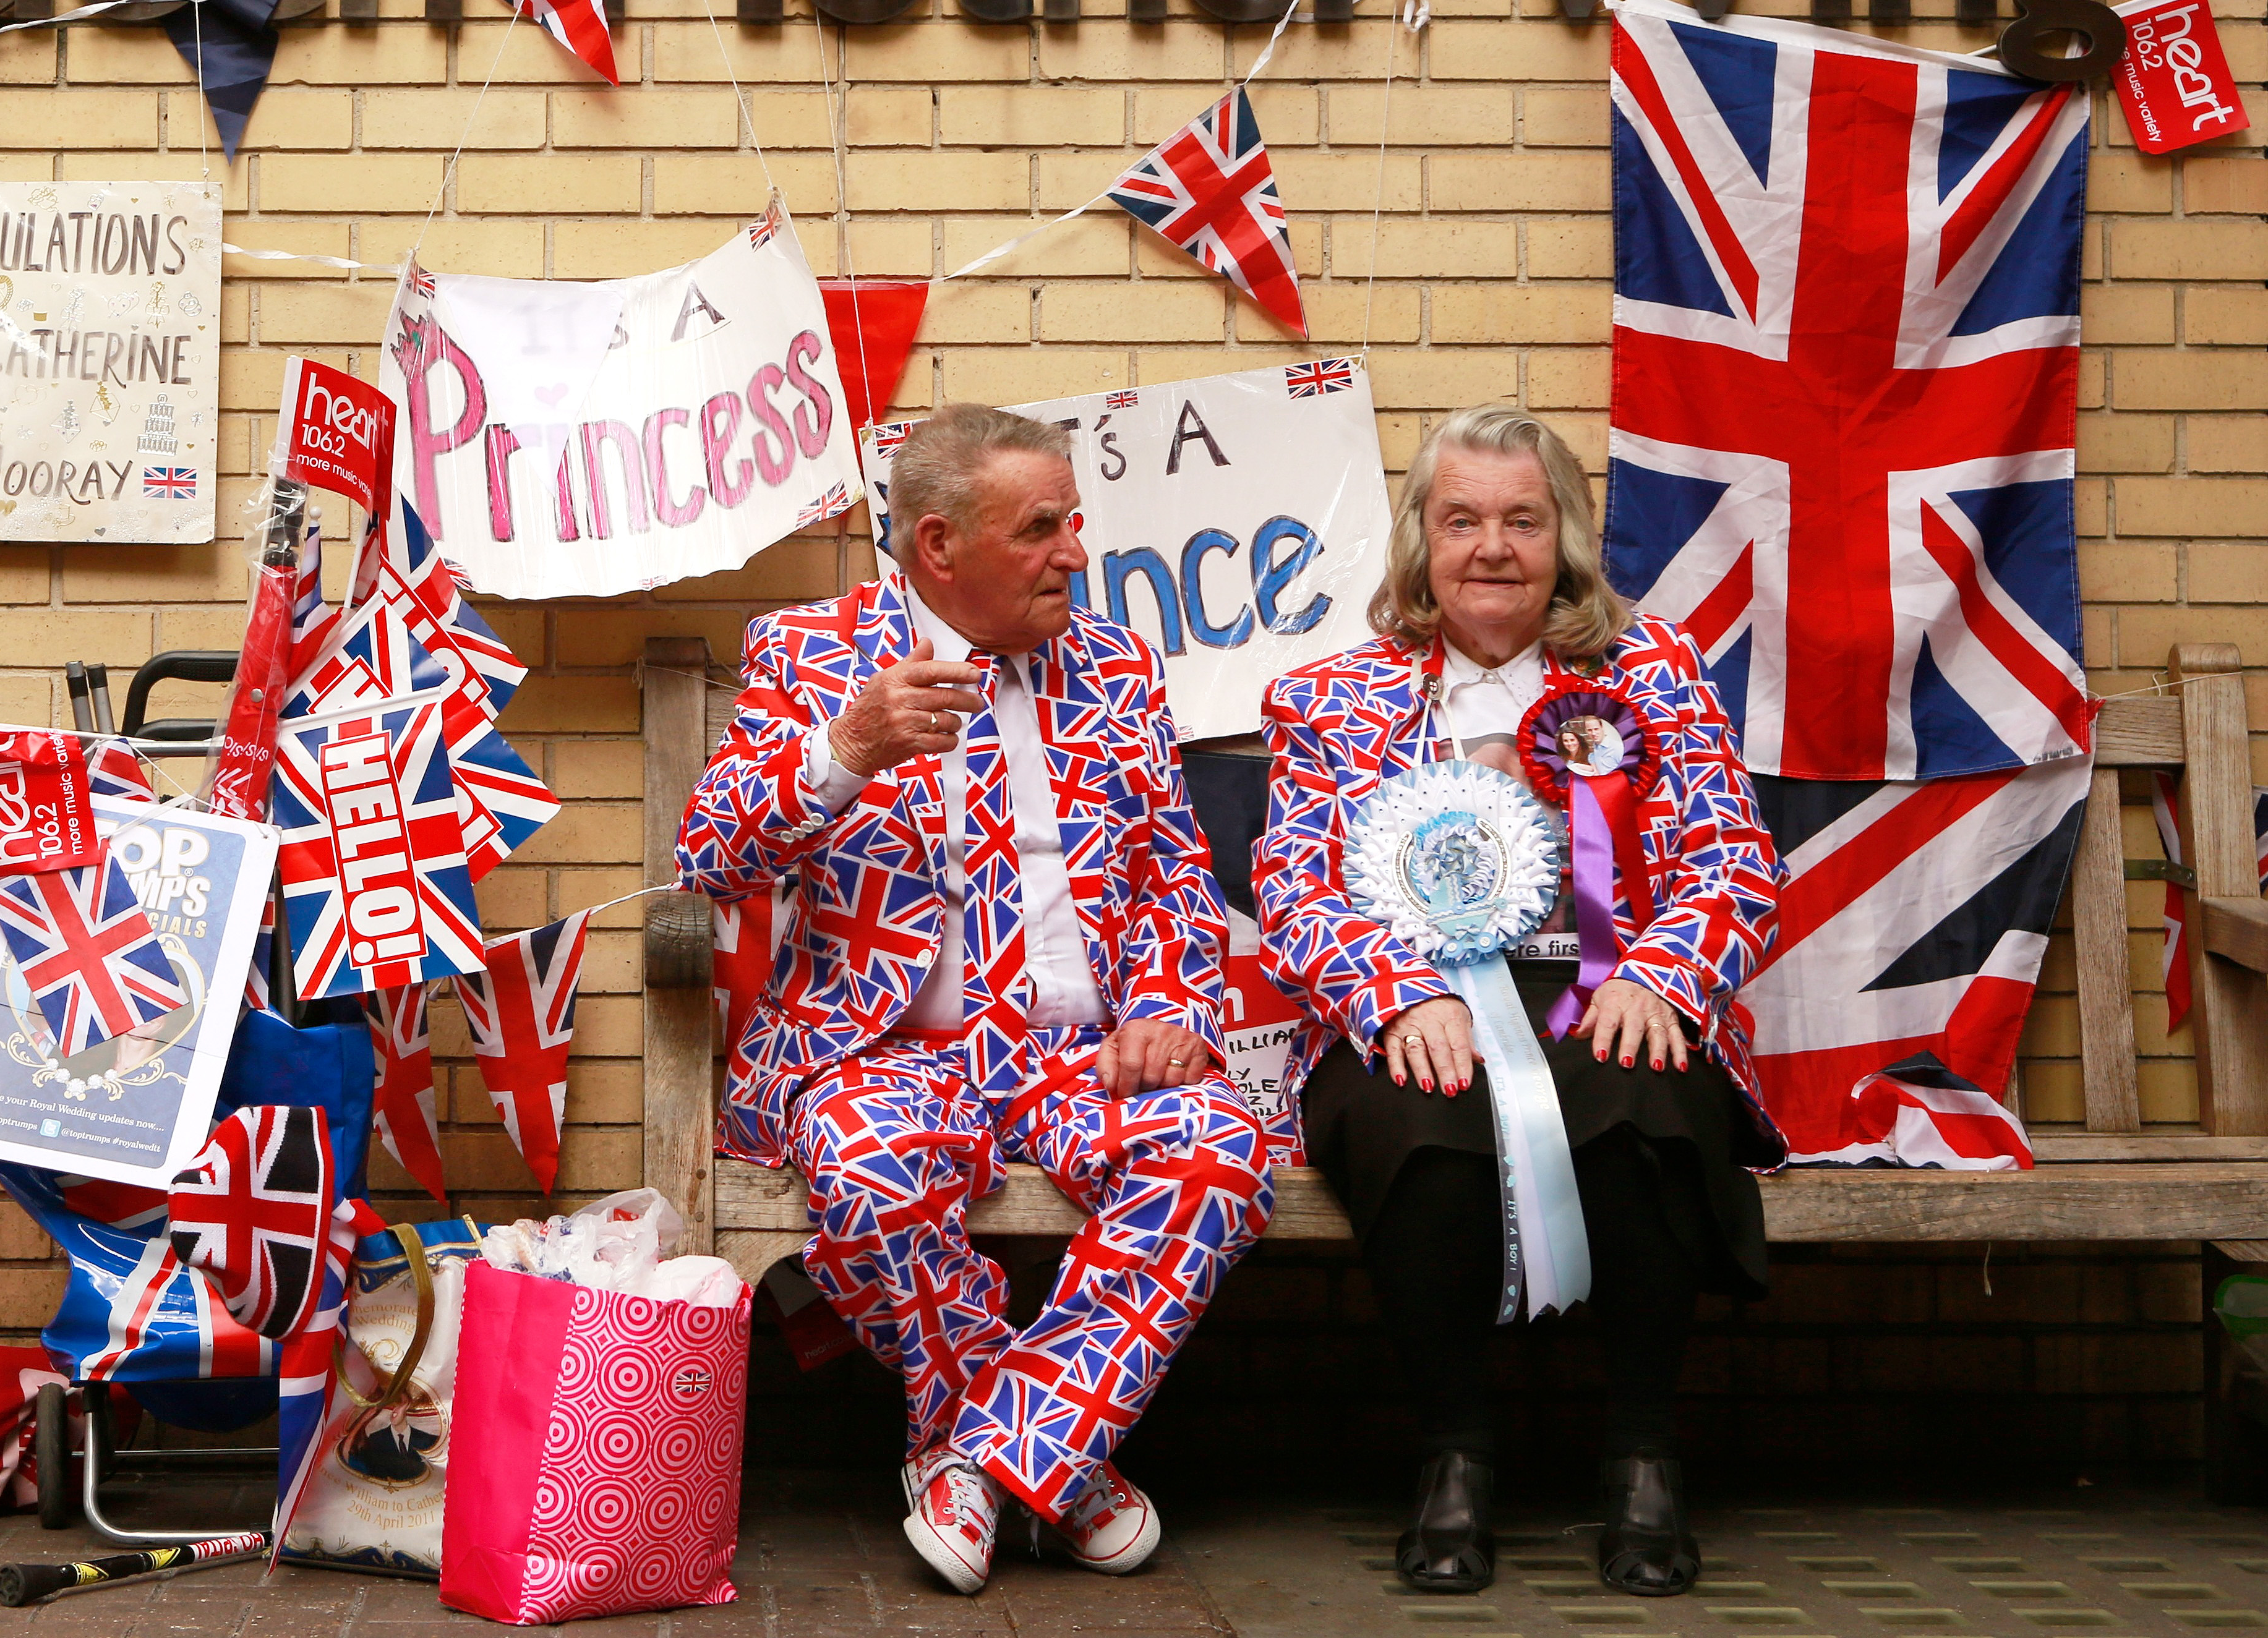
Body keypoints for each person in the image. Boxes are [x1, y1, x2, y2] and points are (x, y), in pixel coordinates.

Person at [675, 404, 1273, 1595]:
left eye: (1073, 521)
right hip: (886, 1050)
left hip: (1077, 1052)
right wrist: (841, 753)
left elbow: (1171, 878)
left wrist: (1170, 1005)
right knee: (868, 1165)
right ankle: (1059, 1458)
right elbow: (712, 854)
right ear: (940, 545)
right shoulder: (812, 652)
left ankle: (983, 1457)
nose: (1076, 551)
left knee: (1218, 1147)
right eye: (1043, 527)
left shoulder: (1115, 665)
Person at [1256, 404, 1786, 1600]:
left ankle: (1644, 1459)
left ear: (1566, 541)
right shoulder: (1329, 697)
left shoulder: (1653, 675)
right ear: (1421, 543)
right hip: (1409, 996)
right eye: (1462, 521)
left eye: (1522, 521)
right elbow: (1291, 881)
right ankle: (1455, 1458)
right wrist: (1391, 994)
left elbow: (1733, 857)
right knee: (1425, 1118)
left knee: (1647, 1108)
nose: (1491, 547)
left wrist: (1663, 974)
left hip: (1607, 981)